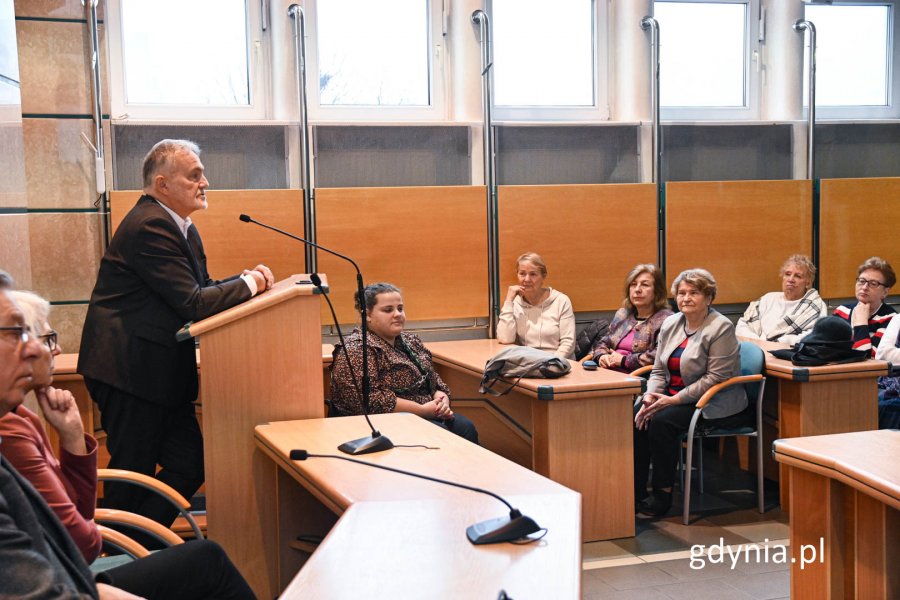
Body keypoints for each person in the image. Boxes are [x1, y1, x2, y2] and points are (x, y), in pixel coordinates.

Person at [1, 289, 256, 599]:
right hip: (70, 579)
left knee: (206, 556)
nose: (50, 351)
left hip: (73, 576)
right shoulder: (12, 428)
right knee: (207, 560)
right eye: (38, 338)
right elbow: (81, 544)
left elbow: (80, 513)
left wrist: (71, 437)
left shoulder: (23, 417)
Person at [77, 139, 275, 526]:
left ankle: (142, 544)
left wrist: (246, 281)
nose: (206, 183)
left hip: (157, 375)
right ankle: (115, 561)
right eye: (195, 176)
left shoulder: (181, 227)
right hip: (130, 372)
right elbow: (193, 302)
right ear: (163, 184)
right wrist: (250, 284)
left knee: (190, 464)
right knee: (133, 475)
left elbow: (200, 288)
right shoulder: (151, 224)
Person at [633, 269, 749, 518]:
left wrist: (673, 400)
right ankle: (636, 491)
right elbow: (658, 369)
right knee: (637, 413)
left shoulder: (720, 327)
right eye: (682, 293)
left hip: (711, 401)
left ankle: (663, 494)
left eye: (693, 293)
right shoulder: (672, 323)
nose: (685, 298)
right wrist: (650, 396)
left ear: (709, 297)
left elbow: (716, 378)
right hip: (672, 396)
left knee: (662, 422)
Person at [330, 283, 479, 443]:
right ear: (367, 315)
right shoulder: (357, 349)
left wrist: (442, 402)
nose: (397, 314)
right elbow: (369, 401)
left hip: (427, 412)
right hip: (383, 422)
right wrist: (421, 410)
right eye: (388, 310)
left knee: (466, 428)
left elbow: (434, 381)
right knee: (438, 435)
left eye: (400, 308)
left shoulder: (410, 340)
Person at [589, 264, 673, 373]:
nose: (637, 289)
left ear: (657, 291)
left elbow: (658, 355)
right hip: (607, 373)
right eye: (633, 284)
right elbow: (604, 342)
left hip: (638, 379)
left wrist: (624, 360)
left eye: (645, 285)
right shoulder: (622, 314)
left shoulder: (666, 319)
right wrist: (601, 356)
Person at [497, 252, 576, 359]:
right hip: (528, 362)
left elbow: (568, 343)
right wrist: (508, 301)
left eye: (533, 274)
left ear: (543, 277)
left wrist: (552, 363)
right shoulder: (515, 303)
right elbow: (505, 339)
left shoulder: (561, 301)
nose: (527, 279)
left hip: (558, 363)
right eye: (522, 274)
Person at [735, 254, 827, 345]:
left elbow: (813, 335)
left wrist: (777, 344)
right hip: (755, 349)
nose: (790, 279)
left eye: (798, 276)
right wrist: (758, 343)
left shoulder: (815, 305)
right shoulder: (768, 298)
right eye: (787, 274)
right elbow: (743, 324)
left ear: (808, 283)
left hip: (787, 354)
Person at [833, 256, 896, 356]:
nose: (864, 287)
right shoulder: (841, 311)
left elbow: (869, 358)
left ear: (885, 292)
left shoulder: (891, 319)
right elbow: (827, 349)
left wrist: (861, 323)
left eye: (873, 284)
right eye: (861, 281)